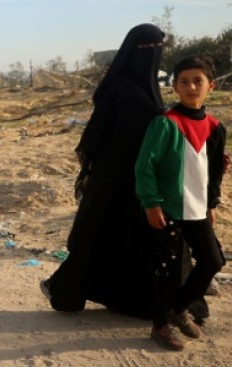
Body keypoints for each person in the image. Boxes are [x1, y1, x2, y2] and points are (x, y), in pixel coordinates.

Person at [39, 24, 210, 321]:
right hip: (117, 181)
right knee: (105, 235)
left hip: (142, 180)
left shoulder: (144, 88)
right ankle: (75, 290)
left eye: (157, 48)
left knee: (146, 240)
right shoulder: (126, 89)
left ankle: (158, 301)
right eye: (146, 48)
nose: (152, 55)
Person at [135, 56, 226, 350]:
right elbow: (144, 166)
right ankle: (161, 326)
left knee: (212, 260)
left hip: (198, 209)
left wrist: (211, 204)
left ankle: (178, 309)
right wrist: (151, 203)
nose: (191, 87)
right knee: (168, 271)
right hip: (169, 210)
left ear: (210, 86)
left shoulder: (215, 128)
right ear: (174, 86)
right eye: (183, 81)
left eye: (197, 81)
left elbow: (214, 173)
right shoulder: (165, 124)